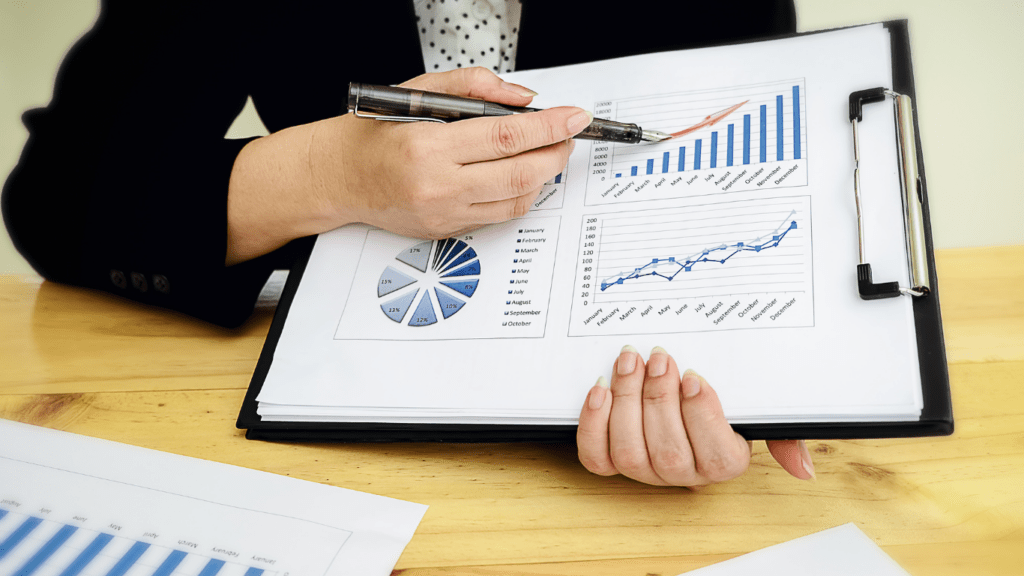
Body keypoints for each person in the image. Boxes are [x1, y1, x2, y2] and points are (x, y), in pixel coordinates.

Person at [1, 0, 813, 487]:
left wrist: (762, 357)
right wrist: (328, 171)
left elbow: (753, 167)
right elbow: (55, 197)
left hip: (591, 415)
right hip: (337, 425)